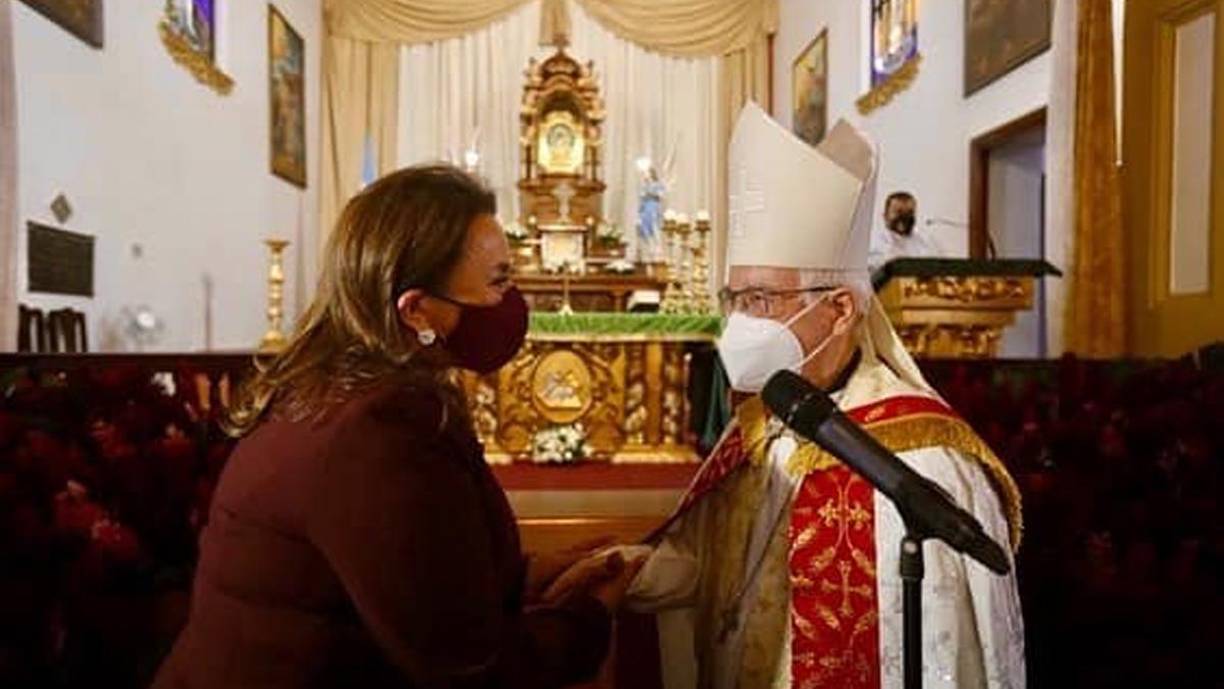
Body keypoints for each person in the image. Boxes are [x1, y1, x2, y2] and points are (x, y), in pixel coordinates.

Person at [152, 164, 642, 689]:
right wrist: (590, 615)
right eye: (498, 282)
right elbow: (470, 668)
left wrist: (536, 573)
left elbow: (411, 570)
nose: (511, 301)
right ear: (416, 310)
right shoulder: (380, 430)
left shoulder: (339, 387)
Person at [619, 103, 1026, 689]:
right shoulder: (761, 423)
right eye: (734, 299)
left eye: (760, 301)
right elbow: (711, 565)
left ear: (839, 310)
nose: (740, 323)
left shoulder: (923, 460)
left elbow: (945, 654)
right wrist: (621, 573)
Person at [867, 190, 938, 271]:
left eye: (910, 212)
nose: (904, 217)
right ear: (885, 216)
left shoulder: (927, 242)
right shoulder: (873, 242)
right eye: (898, 212)